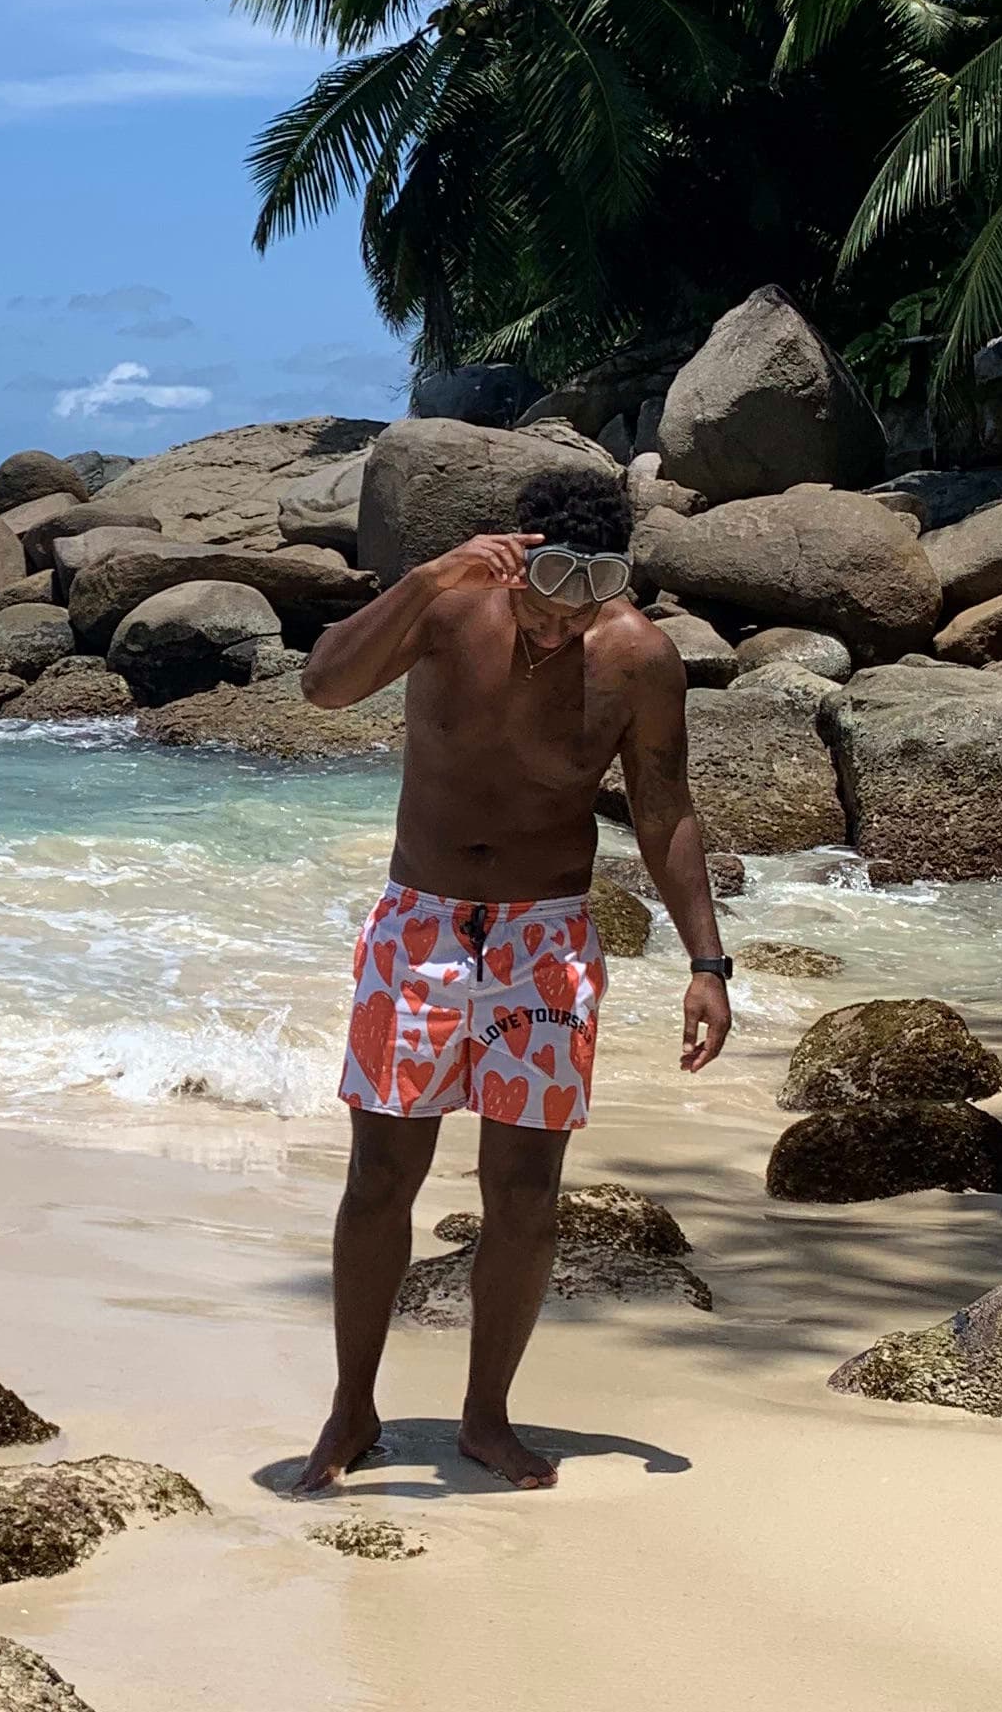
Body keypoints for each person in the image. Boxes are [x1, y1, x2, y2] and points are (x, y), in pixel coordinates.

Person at [292, 465, 731, 1493]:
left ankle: (486, 1419)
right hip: (420, 930)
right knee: (379, 1180)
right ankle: (352, 1408)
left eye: (585, 605)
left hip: (546, 941)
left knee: (525, 1194)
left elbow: (665, 811)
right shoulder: (447, 606)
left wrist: (707, 962)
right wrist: (426, 574)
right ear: (516, 554)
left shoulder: (637, 658)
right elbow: (323, 686)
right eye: (541, 601)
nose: (553, 630)